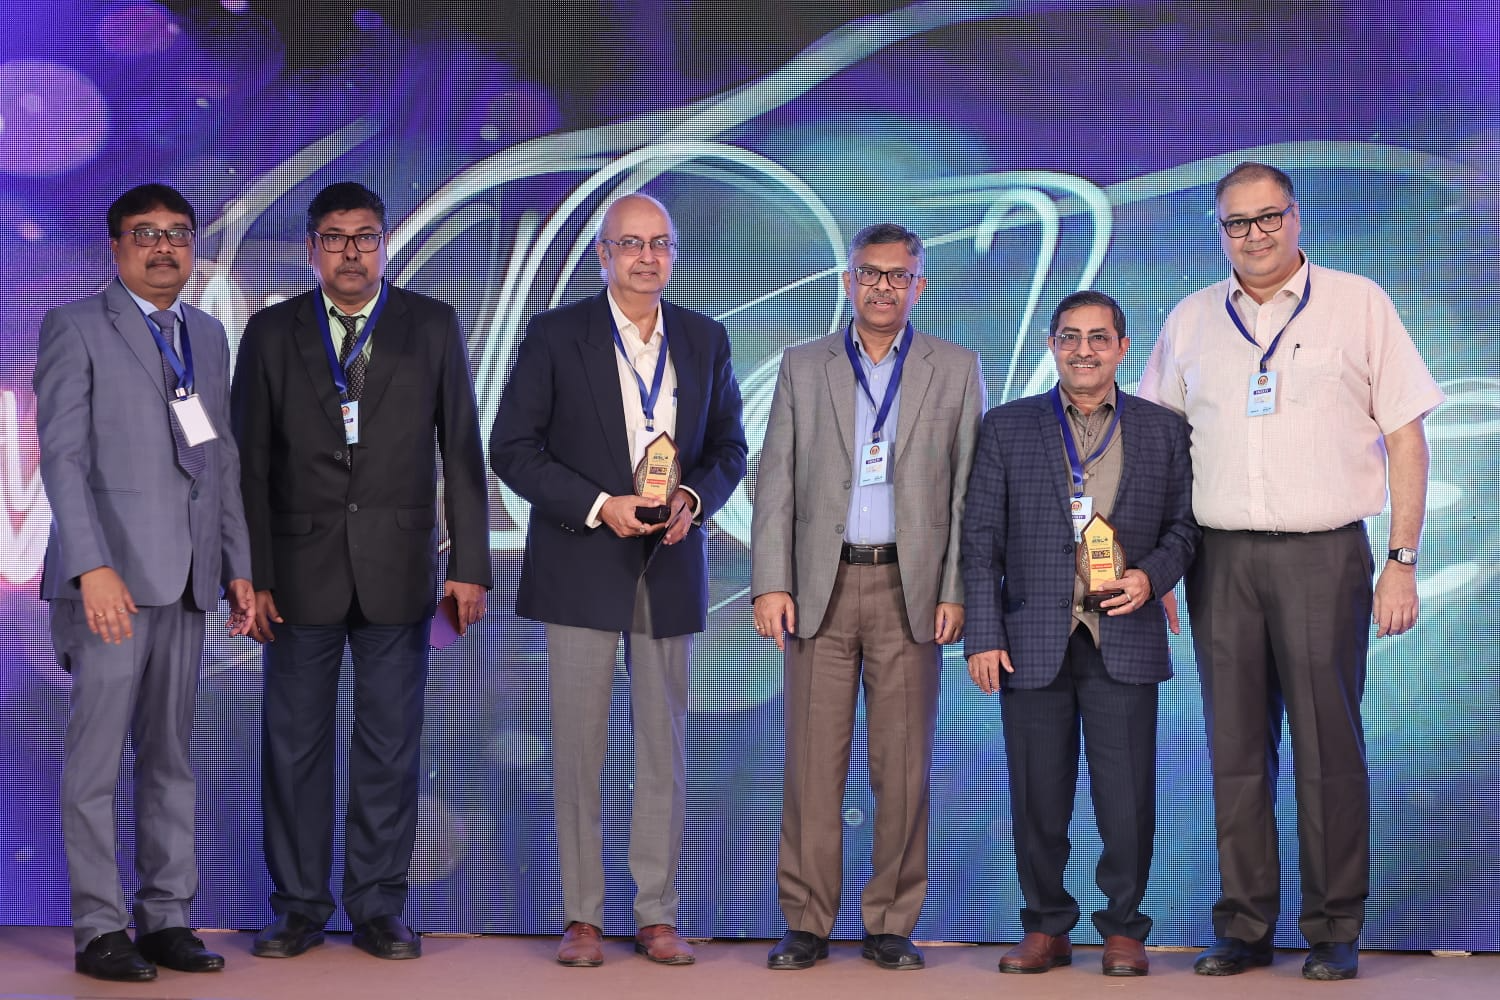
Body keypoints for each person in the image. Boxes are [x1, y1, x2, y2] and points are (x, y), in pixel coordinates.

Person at [1138, 162, 1444, 981]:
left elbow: (1407, 437)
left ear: (1296, 217)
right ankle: (1243, 925)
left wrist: (1402, 561)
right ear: (1220, 231)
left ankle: (1334, 926)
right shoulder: (1192, 319)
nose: (1255, 235)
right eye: (1237, 223)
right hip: (1219, 560)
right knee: (1236, 750)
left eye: (1269, 217)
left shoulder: (1358, 303)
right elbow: (1159, 449)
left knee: (1327, 745)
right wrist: (1160, 566)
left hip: (1324, 554)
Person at [231, 181, 492, 961]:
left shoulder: (431, 324)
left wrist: (469, 564)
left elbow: (462, 449)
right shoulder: (271, 331)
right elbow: (248, 464)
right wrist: (251, 573)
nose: (352, 252)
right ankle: (298, 908)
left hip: (400, 569)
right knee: (294, 749)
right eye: (336, 238)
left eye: (366, 236)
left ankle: (379, 906)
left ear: (385, 244)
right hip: (295, 574)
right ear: (312, 247)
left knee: (389, 748)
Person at [490, 192, 747, 967]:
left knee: (663, 747)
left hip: (669, 563)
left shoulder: (703, 338)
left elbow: (730, 447)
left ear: (674, 254)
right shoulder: (556, 334)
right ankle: (583, 918)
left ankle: (657, 914)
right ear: (603, 255)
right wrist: (602, 505)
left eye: (659, 243)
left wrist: (693, 498)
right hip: (580, 561)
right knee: (579, 748)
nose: (645, 257)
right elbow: (512, 447)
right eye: (629, 244)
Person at [35, 183, 255, 981]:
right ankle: (100, 928)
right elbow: (61, 457)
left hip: (190, 579)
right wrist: (91, 566)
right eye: (146, 234)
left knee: (170, 759)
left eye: (178, 234)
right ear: (116, 245)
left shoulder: (207, 335)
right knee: (96, 764)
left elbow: (217, 456)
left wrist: (238, 566)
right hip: (110, 585)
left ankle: (166, 918)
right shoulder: (75, 326)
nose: (165, 248)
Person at [751, 223, 984, 971]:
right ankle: (806, 921)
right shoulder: (803, 364)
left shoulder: (956, 367)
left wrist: (957, 590)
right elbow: (775, 480)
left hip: (910, 590)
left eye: (898, 275)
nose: (883, 287)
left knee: (903, 767)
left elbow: (968, 494)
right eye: (870, 274)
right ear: (847, 281)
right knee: (811, 767)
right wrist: (771, 582)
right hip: (818, 588)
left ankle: (891, 920)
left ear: (920, 286)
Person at [961, 290, 1198, 977]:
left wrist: (1151, 577)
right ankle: (1045, 926)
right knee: (1038, 796)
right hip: (1030, 638)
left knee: (1127, 798)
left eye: (1098, 338)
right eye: (1070, 337)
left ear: (1123, 347)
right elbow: (980, 537)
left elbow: (1186, 529)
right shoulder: (1007, 426)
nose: (1084, 350)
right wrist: (983, 633)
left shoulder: (1162, 429)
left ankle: (1124, 928)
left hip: (1124, 633)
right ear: (1051, 345)